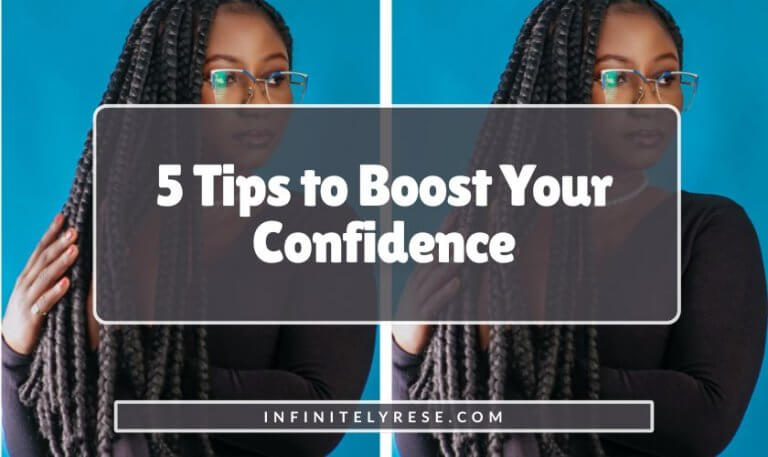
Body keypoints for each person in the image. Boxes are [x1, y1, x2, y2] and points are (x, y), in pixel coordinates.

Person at [392, 0, 767, 456]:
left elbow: (705, 418)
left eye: (665, 78)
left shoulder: (709, 230)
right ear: (558, 87)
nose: (648, 101)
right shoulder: (485, 230)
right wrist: (405, 350)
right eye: (615, 77)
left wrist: (516, 367)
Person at [1, 1, 376, 456]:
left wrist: (124, 368)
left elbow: (317, 417)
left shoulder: (322, 228)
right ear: (168, 87)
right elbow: (46, 441)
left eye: (275, 78)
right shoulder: (98, 235)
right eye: (225, 77)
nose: (258, 101)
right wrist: (15, 354)